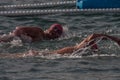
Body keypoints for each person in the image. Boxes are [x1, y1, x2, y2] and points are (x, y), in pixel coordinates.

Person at [0, 33, 120, 58]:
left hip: (61, 53)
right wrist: (115, 39)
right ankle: (4, 56)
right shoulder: (82, 46)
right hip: (60, 53)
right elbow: (93, 35)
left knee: (25, 55)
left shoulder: (85, 48)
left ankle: (4, 56)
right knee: (27, 55)